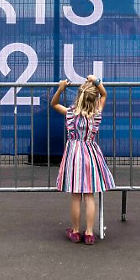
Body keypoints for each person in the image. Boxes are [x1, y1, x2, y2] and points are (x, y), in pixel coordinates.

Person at [51, 75, 115, 245]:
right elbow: (105, 94)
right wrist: (96, 81)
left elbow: (54, 104)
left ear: (78, 96)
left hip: (74, 155)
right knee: (89, 195)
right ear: (94, 98)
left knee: (75, 196)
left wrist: (61, 87)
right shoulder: (96, 114)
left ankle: (75, 230)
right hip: (90, 152)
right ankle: (89, 233)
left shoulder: (70, 113)